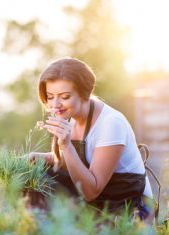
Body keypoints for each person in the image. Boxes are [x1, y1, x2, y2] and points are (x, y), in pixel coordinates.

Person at [29, 57, 154, 221]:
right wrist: (37, 157)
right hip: (100, 200)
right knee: (33, 176)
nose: (55, 104)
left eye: (65, 96)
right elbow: (77, 161)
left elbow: (90, 191)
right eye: (50, 96)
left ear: (84, 93)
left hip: (128, 208)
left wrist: (66, 145)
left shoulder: (111, 123)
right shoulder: (72, 116)